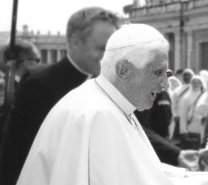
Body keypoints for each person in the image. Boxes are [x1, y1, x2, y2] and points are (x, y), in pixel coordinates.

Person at [16, 23, 208, 185]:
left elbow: (144, 172)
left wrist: (198, 175)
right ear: (124, 70)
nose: (166, 84)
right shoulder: (99, 115)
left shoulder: (109, 103)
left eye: (166, 73)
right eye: (157, 72)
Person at [0, 7, 124, 185]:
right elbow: (17, 156)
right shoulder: (39, 86)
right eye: (101, 48)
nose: (108, 57)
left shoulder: (112, 86)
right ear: (75, 42)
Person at [178, 75, 205, 149]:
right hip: (190, 130)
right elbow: (183, 115)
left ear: (201, 84)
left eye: (198, 82)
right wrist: (183, 130)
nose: (196, 84)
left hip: (202, 130)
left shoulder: (205, 96)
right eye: (194, 82)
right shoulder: (186, 98)